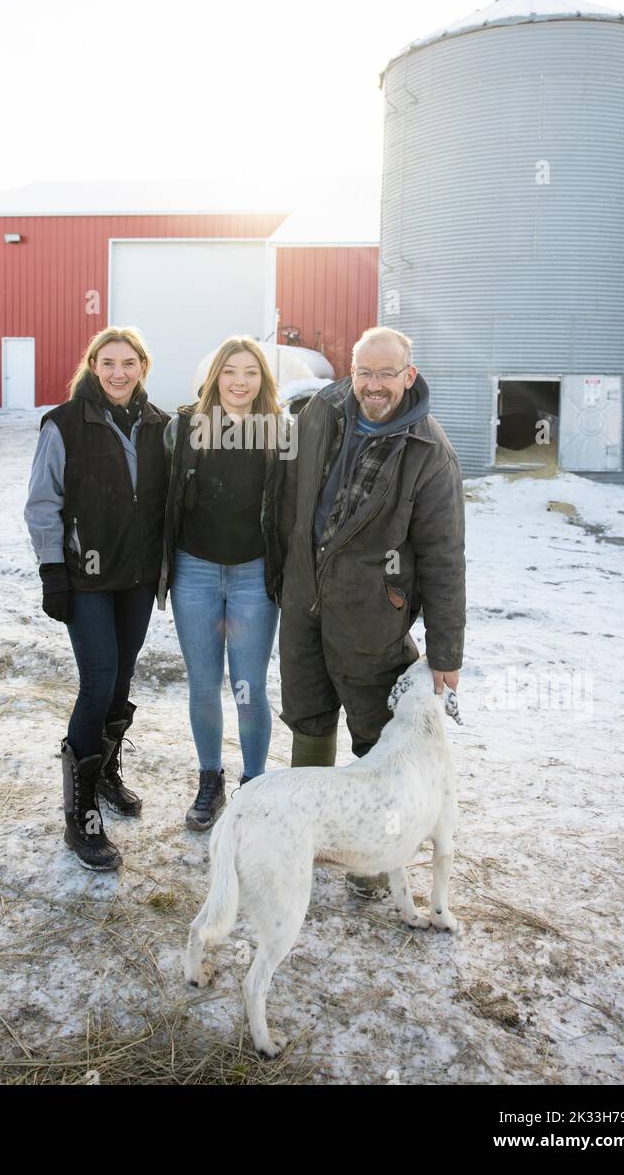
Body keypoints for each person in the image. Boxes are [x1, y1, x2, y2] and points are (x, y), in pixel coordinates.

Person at [278, 326, 465, 895]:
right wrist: (280, 575)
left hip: (372, 613)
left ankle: (377, 853)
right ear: (350, 370)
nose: (374, 384)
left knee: (374, 732)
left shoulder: (430, 452)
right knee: (307, 716)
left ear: (409, 375)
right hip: (304, 599)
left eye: (387, 373)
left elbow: (443, 558)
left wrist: (446, 651)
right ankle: (305, 835)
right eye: (365, 372)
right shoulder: (321, 413)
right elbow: (287, 496)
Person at [24, 326, 169, 872]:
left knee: (124, 678)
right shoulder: (63, 423)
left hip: (134, 577)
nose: (118, 372)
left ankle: (105, 771)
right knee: (98, 680)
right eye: (107, 362)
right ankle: (81, 811)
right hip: (85, 579)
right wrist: (52, 571)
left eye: (128, 362)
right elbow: (43, 503)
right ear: (91, 364)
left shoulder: (159, 426)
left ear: (142, 367)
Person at [158, 336, 288, 831]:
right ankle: (209, 779)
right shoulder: (185, 428)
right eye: (230, 371)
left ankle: (254, 784)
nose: (239, 381)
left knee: (249, 686)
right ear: (215, 376)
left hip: (255, 572)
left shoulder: (280, 431)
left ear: (263, 379)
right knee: (204, 684)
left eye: (250, 372)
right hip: (195, 571)